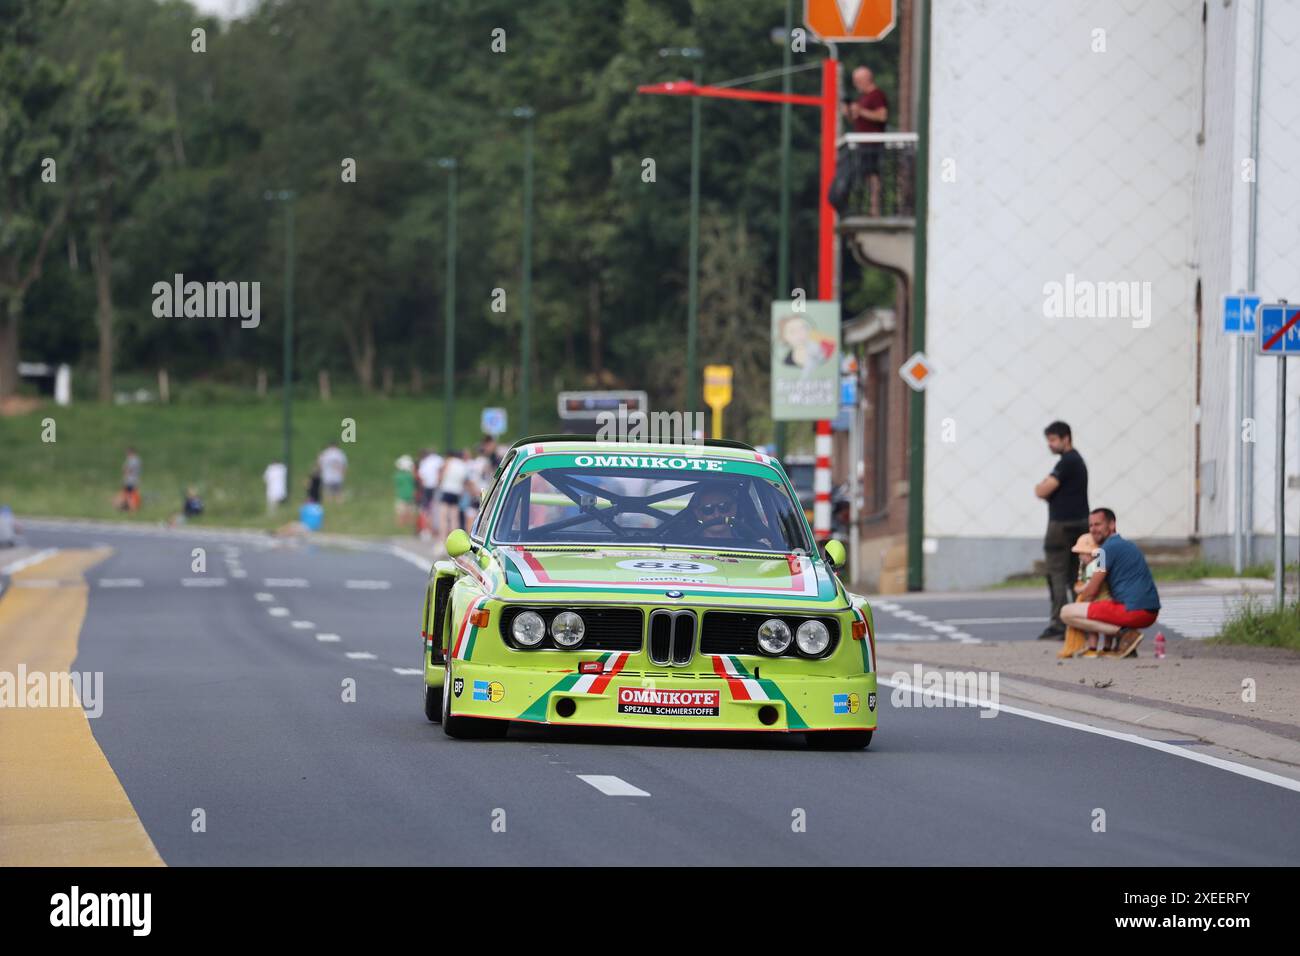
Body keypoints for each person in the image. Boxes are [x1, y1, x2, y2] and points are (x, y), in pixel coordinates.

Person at [1061, 508, 1160, 659]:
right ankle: (1125, 640)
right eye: (1091, 525)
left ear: (1112, 524)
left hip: (1132, 611)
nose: (1093, 529)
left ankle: (1125, 634)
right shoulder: (1128, 545)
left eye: (1098, 524)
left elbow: (1092, 590)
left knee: (1066, 612)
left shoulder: (1103, 551)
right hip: (1149, 610)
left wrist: (1081, 592)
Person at [1033, 421, 1089, 641]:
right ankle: (1079, 621)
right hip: (1081, 524)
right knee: (1076, 576)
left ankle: (1059, 623)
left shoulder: (1067, 462)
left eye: (1053, 439)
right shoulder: (1078, 461)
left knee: (1056, 574)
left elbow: (1043, 490)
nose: (1050, 444)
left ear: (1067, 438)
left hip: (1061, 525)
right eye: (1049, 440)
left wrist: (1042, 487)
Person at [843, 65, 888, 216]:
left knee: (872, 175)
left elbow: (882, 116)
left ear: (866, 79)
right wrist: (849, 112)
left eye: (857, 80)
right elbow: (856, 119)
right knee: (866, 175)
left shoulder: (877, 95)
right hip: (863, 144)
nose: (856, 84)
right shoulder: (862, 97)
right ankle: (868, 206)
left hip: (873, 144)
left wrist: (861, 111)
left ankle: (874, 208)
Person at [436, 448, 469, 535]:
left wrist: (439, 483)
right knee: (454, 518)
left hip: (447, 490)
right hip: (457, 492)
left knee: (443, 517)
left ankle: (442, 538)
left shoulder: (449, 462)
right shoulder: (463, 465)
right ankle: (454, 536)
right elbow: (464, 481)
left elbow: (442, 475)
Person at [393, 455, 417, 530]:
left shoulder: (398, 475)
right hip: (409, 496)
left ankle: (401, 529)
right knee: (409, 514)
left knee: (401, 514)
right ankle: (408, 529)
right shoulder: (410, 475)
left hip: (402, 496)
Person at [120, 447, 142, 512]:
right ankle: (128, 507)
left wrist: (125, 470)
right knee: (128, 493)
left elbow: (129, 469)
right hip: (131, 479)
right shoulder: (135, 459)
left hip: (131, 480)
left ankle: (132, 507)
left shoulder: (133, 460)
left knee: (130, 494)